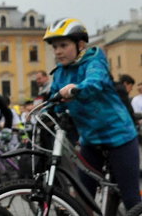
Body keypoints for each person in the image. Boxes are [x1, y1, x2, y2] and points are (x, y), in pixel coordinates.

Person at [44, 17, 140, 210]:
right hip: (90, 141)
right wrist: (47, 111)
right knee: (82, 199)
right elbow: (55, 101)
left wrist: (75, 89)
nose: (58, 51)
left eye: (63, 45)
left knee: (131, 199)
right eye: (54, 47)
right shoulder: (60, 73)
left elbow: (95, 83)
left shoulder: (94, 58)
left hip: (120, 137)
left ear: (80, 44)